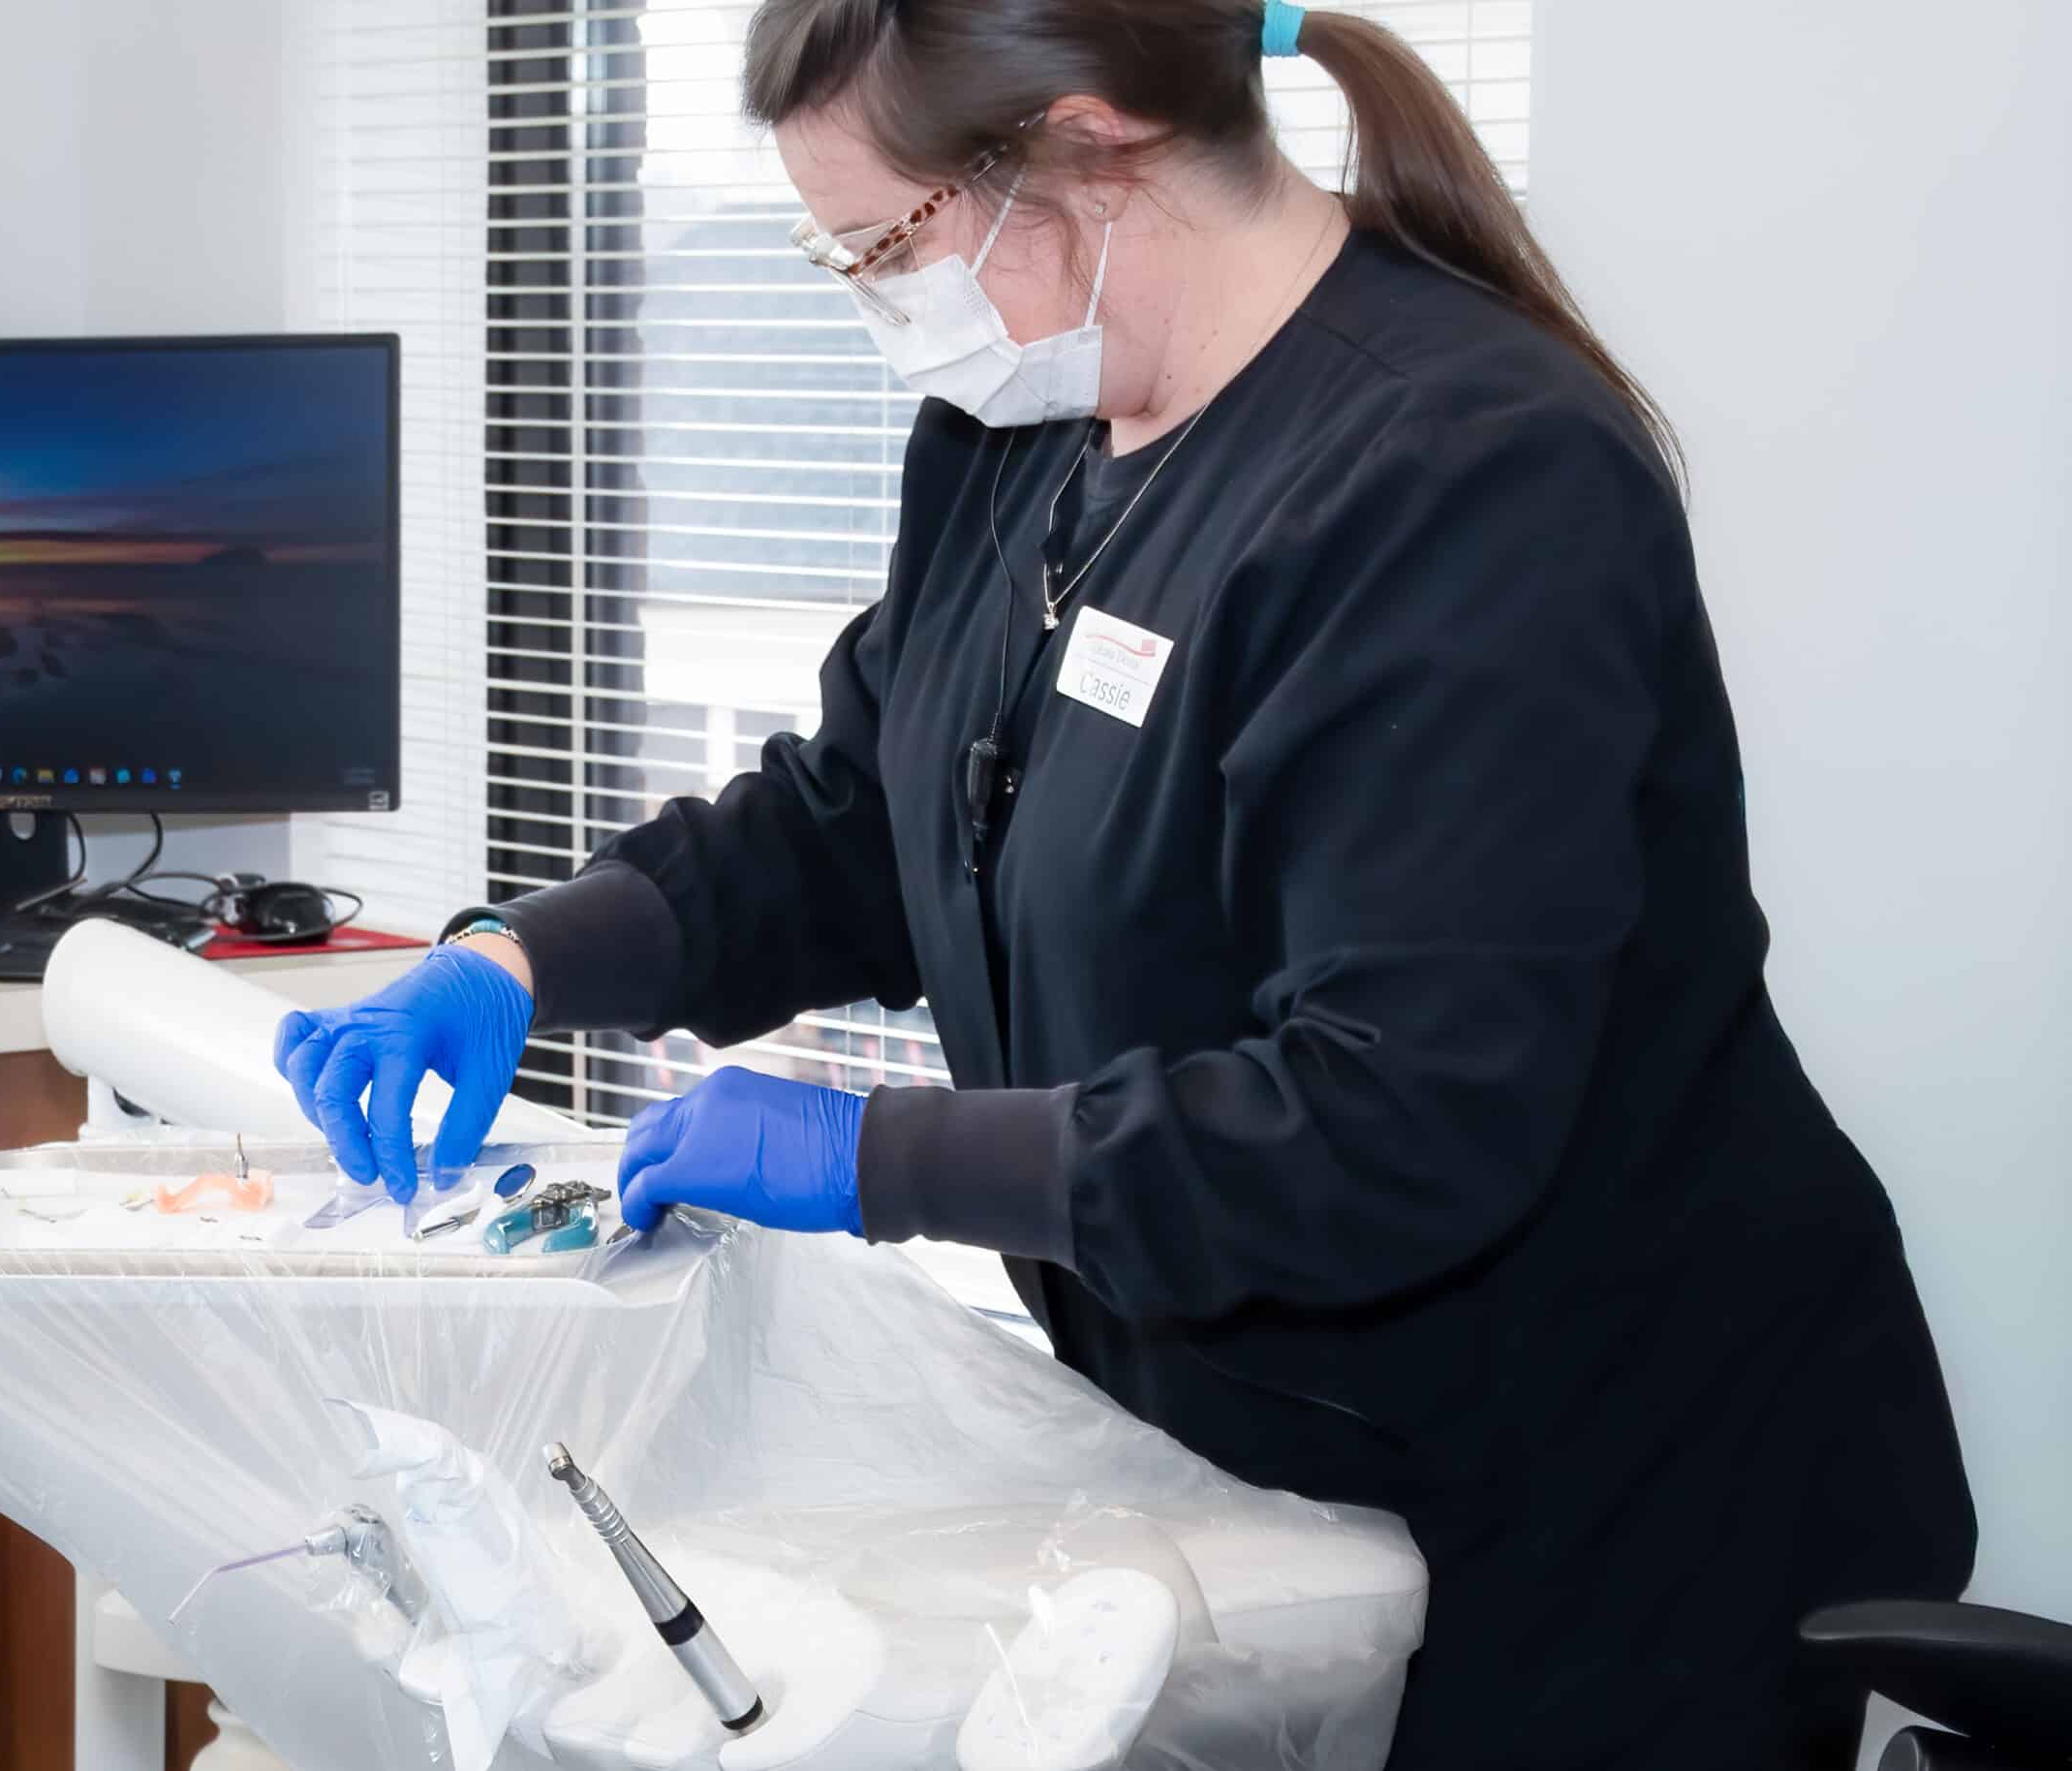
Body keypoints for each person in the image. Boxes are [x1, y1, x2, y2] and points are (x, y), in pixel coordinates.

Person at [275, 3, 1976, 1764]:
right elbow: (863, 811)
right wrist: (524, 960)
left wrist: (875, 1159)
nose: (879, 301)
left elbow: (1399, 1119)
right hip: (1254, 1439)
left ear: (1086, 153)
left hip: (1602, 1495)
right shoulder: (1025, 433)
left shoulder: (1468, 479)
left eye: (887, 241)